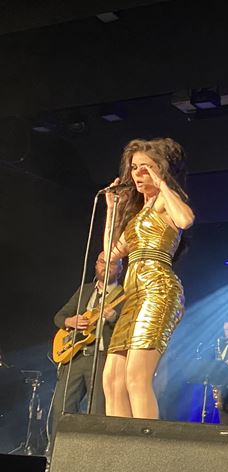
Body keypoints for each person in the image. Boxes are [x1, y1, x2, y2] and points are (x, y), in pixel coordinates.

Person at [101, 138, 195, 420]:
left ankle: (144, 444)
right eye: (134, 168)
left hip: (158, 290)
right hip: (133, 296)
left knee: (136, 377)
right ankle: (119, 445)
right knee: (112, 380)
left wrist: (162, 183)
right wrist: (112, 210)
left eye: (146, 168)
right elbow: (111, 254)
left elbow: (185, 220)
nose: (138, 174)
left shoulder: (165, 202)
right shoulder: (136, 216)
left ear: (160, 169)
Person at [50, 252, 123, 431]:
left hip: (102, 358)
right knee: (62, 408)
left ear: (120, 269)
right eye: (102, 262)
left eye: (112, 263)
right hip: (75, 357)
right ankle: (57, 448)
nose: (106, 266)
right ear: (96, 265)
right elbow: (59, 317)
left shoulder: (124, 295)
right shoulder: (85, 290)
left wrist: (114, 318)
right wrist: (70, 321)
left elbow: (129, 330)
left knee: (97, 412)